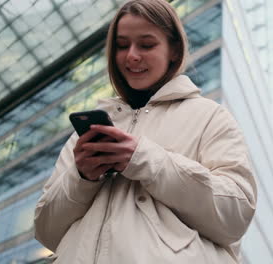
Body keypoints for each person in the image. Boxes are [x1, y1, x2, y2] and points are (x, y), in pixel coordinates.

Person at [34, 0, 257, 263]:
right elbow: (45, 230)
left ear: (174, 50)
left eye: (147, 44)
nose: (131, 55)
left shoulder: (210, 116)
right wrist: (81, 177)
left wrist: (142, 158)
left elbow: (236, 214)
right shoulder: (84, 135)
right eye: (121, 45)